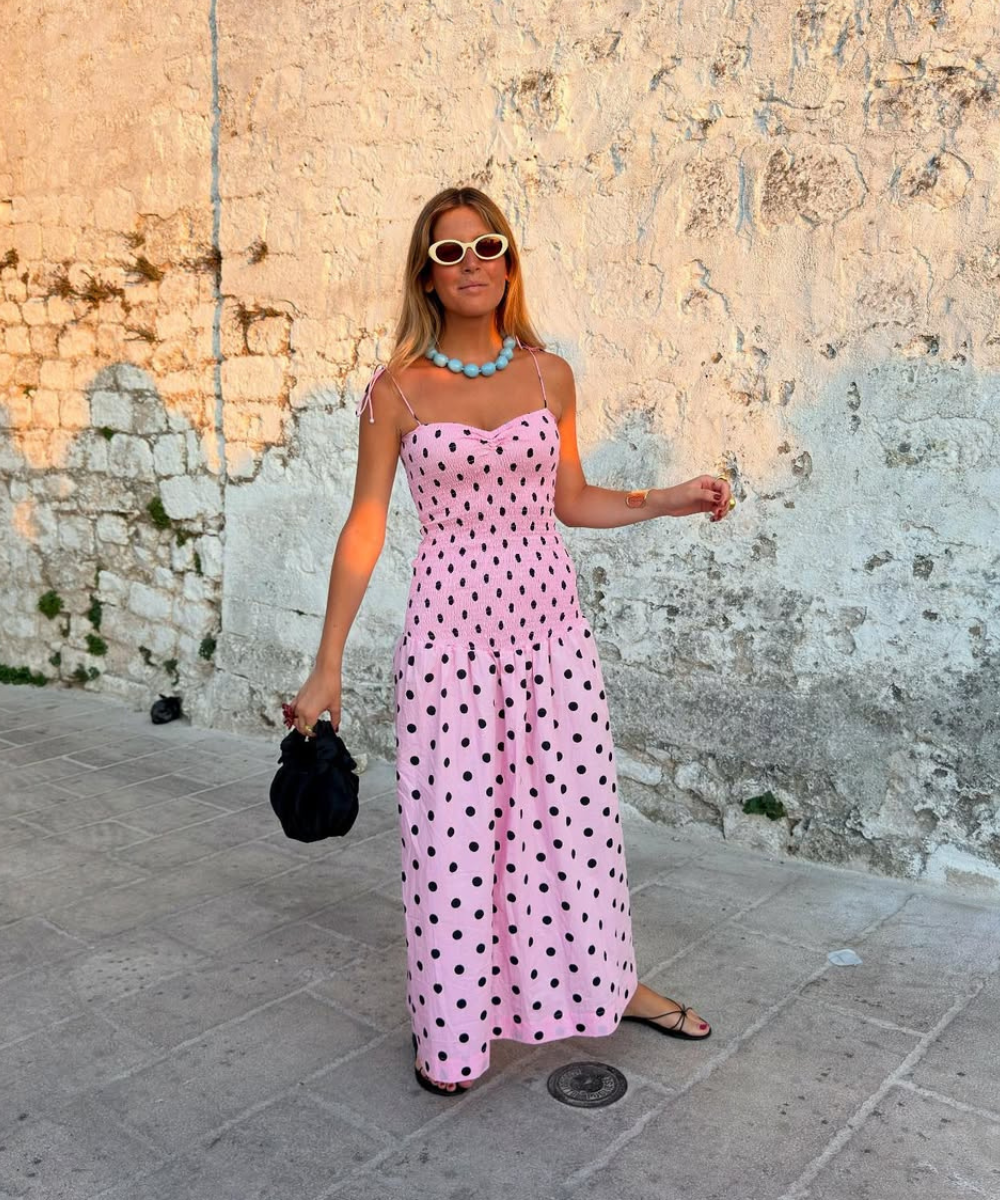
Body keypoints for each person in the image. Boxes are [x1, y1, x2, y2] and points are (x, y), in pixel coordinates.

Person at [290, 186, 735, 1095]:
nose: (471, 264)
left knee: (574, 826)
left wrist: (672, 498)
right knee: (453, 838)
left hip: (551, 638)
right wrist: (327, 662)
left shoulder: (548, 375)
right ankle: (452, 1032)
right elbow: (365, 525)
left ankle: (610, 989)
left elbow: (571, 500)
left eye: (486, 246)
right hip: (449, 641)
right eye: (449, 253)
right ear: (426, 271)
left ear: (509, 258)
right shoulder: (394, 393)